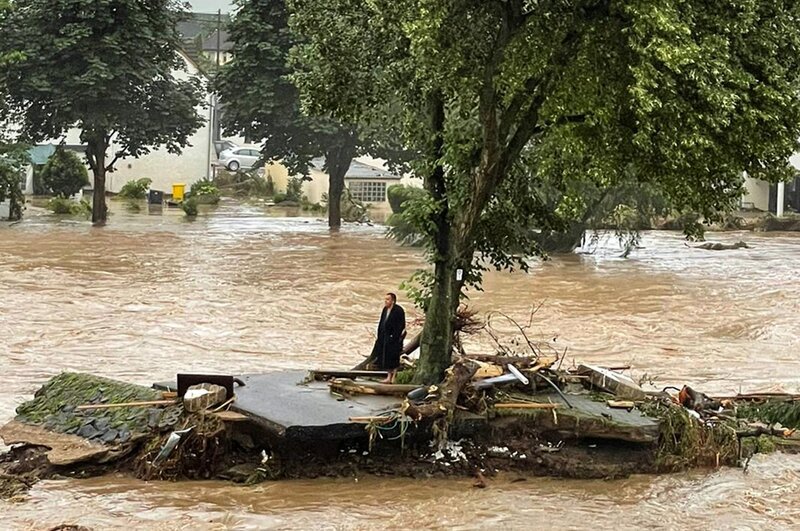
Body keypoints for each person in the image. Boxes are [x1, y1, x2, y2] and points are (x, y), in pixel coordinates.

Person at [370, 292, 406, 383]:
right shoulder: (385, 309)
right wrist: (380, 335)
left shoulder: (398, 310)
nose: (385, 301)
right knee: (386, 358)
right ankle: (388, 376)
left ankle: (394, 376)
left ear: (393, 301)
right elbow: (382, 322)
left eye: (388, 299)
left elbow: (401, 325)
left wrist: (394, 336)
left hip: (394, 338)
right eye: (385, 299)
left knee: (394, 357)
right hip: (384, 337)